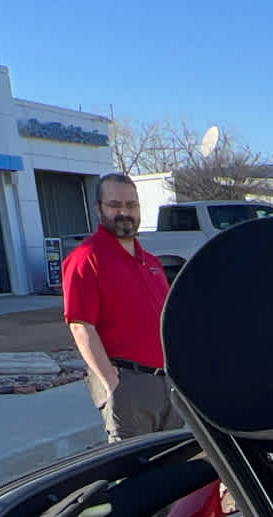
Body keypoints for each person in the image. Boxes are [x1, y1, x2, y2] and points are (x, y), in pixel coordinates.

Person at [63, 172, 180, 442]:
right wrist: (112, 385)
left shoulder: (150, 262)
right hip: (128, 383)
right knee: (134, 473)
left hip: (167, 383)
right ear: (99, 209)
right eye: (115, 205)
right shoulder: (86, 258)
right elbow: (81, 327)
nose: (124, 212)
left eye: (131, 205)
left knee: (172, 468)